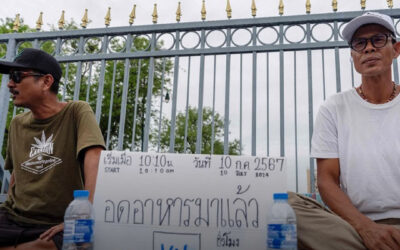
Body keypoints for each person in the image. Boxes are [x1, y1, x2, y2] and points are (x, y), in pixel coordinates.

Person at [288, 12, 400, 250]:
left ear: (396, 48)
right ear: (353, 56)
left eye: (378, 39)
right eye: (360, 44)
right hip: (354, 227)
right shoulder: (334, 108)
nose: (369, 49)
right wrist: (366, 228)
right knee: (283, 203)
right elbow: (327, 179)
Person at [0, 48, 105, 250]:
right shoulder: (17, 123)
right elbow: (16, 176)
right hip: (14, 219)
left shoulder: (77, 112)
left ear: (46, 82)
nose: (10, 84)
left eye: (17, 76)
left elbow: (95, 159)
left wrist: (80, 217)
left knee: (46, 246)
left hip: (56, 224)